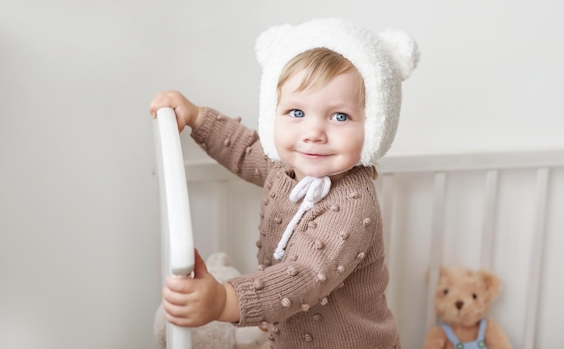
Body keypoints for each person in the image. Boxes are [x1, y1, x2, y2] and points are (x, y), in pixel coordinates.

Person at [150, 18, 419, 349]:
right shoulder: (286, 167)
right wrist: (198, 117)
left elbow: (304, 275)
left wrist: (223, 301)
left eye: (340, 117)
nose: (313, 132)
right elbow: (245, 148)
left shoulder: (352, 203)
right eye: (296, 112)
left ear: (375, 126)